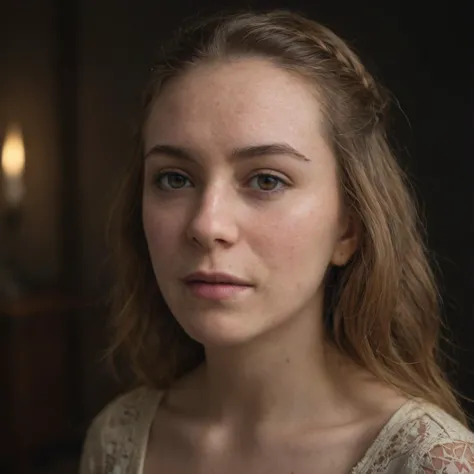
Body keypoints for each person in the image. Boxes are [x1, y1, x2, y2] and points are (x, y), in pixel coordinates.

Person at [79, 9, 474, 474]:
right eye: (174, 178)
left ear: (348, 228)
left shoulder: (430, 463)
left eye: (266, 180)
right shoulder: (118, 442)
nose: (207, 225)